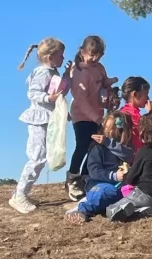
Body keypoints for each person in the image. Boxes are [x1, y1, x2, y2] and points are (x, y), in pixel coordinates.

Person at [10, 38, 70, 215]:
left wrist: (66, 75)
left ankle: (22, 193)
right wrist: (48, 98)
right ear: (50, 57)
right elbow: (33, 93)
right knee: (37, 157)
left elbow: (58, 92)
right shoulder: (42, 73)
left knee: (41, 157)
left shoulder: (52, 72)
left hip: (47, 118)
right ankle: (19, 195)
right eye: (60, 55)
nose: (63, 58)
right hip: (39, 119)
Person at [65, 35, 118, 202]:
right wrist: (96, 118)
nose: (95, 59)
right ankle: (73, 178)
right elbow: (80, 100)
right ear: (82, 52)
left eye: (98, 56)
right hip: (81, 115)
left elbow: (103, 83)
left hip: (97, 115)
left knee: (95, 147)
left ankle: (86, 176)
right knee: (82, 145)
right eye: (92, 55)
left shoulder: (99, 68)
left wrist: (111, 84)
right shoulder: (79, 72)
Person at [65, 112, 134, 224]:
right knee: (106, 192)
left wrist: (108, 143)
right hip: (98, 184)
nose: (109, 131)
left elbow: (129, 155)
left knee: (131, 191)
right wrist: (114, 176)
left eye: (113, 128)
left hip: (119, 186)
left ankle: (115, 208)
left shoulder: (124, 148)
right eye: (106, 127)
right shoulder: (97, 148)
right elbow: (94, 172)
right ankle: (82, 209)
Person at [106, 110, 152, 222]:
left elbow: (131, 179)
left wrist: (128, 170)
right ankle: (142, 210)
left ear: (146, 130)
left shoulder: (144, 150)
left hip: (144, 194)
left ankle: (138, 211)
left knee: (110, 209)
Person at [119, 76, 152, 152]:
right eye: (146, 94)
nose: (148, 98)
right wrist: (151, 114)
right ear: (135, 94)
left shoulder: (127, 112)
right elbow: (149, 134)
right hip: (134, 155)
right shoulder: (130, 115)